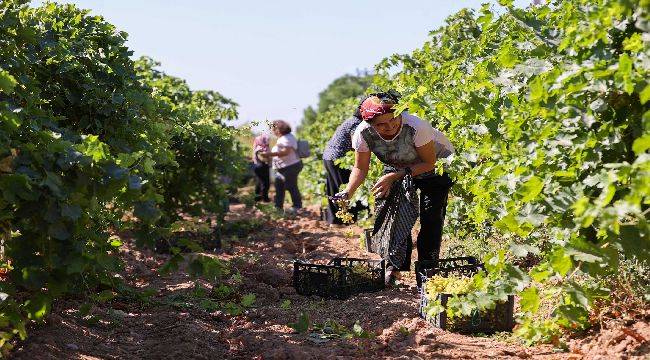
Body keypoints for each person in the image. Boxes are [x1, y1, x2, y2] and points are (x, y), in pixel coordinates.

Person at [335, 92, 454, 285]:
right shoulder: (362, 134)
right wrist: (348, 191)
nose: (389, 126)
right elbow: (360, 167)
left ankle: (428, 272)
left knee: (431, 217)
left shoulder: (416, 126)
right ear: (370, 124)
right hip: (398, 166)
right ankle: (395, 268)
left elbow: (429, 162)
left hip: (435, 167)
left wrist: (396, 175)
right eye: (381, 124)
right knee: (392, 214)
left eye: (393, 119)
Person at [321, 110, 365, 225]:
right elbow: (356, 144)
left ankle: (335, 221)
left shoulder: (351, 121)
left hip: (329, 157)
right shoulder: (357, 123)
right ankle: (346, 220)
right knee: (346, 187)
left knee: (334, 188)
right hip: (338, 159)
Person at [263, 120, 303, 212]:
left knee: (291, 186)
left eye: (273, 129)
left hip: (291, 166)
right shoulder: (283, 138)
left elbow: (285, 152)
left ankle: (297, 206)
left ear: (278, 129)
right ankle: (278, 207)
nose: (272, 131)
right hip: (283, 167)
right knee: (279, 185)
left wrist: (269, 154)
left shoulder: (287, 138)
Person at [252, 134, 271, 202]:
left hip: (257, 166)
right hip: (262, 166)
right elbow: (263, 158)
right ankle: (264, 198)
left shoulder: (258, 147)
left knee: (259, 182)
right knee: (265, 183)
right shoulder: (261, 148)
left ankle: (258, 198)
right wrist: (270, 158)